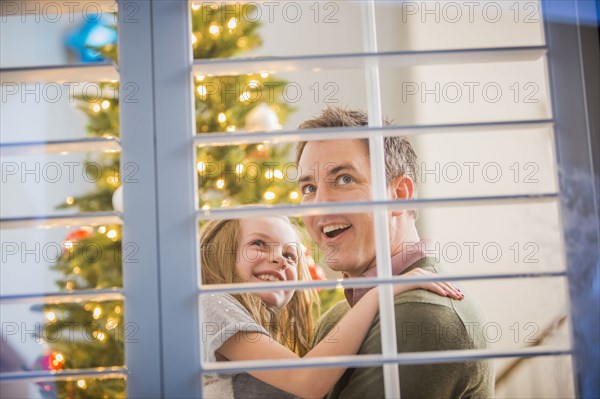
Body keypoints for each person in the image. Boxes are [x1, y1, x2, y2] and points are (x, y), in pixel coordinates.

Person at [297, 106, 495, 398]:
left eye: (344, 179)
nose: (320, 206)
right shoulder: (341, 316)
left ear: (399, 194)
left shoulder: (421, 317)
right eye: (309, 187)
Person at [200, 216, 464, 398]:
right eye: (258, 243)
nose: (279, 259)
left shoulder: (261, 331)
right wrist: (378, 293)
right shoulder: (212, 303)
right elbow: (308, 380)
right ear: (220, 252)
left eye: (290, 255)